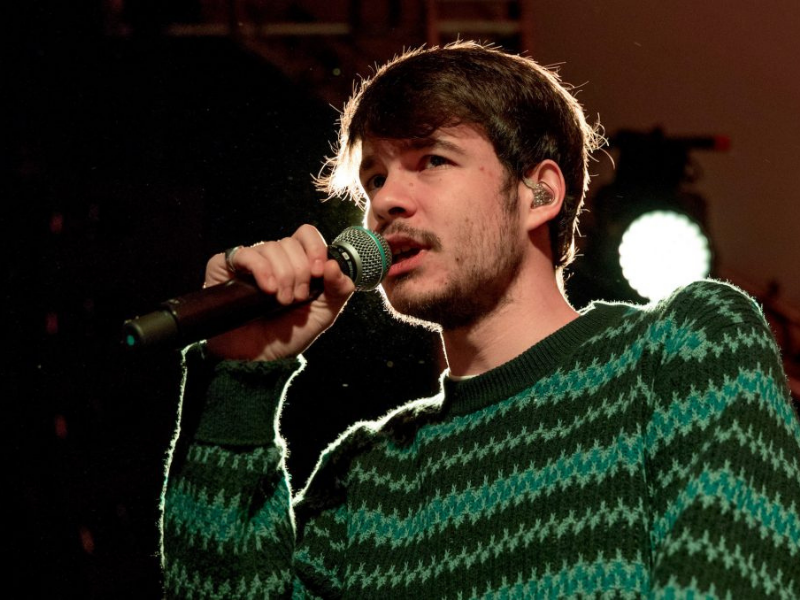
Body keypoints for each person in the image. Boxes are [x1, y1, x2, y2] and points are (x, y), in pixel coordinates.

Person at [160, 41, 800, 599]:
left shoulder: (684, 349)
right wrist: (239, 380)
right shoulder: (365, 476)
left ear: (539, 193)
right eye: (375, 177)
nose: (385, 201)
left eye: (431, 160)